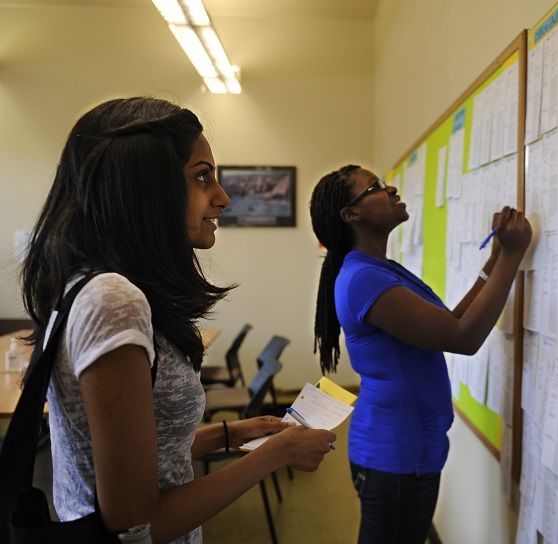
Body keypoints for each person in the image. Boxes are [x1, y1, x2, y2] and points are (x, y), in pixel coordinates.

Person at [21, 97, 336, 544]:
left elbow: (134, 455)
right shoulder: (113, 299)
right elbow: (135, 525)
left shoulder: (84, 283)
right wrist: (277, 453)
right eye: (202, 176)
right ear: (144, 187)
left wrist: (229, 434)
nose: (222, 198)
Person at [309, 165, 532, 544]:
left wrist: (495, 258)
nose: (391, 187)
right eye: (376, 187)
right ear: (352, 214)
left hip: (404, 451)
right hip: (394, 457)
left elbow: (450, 322)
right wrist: (513, 255)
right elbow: (464, 337)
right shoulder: (365, 278)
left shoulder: (378, 269)